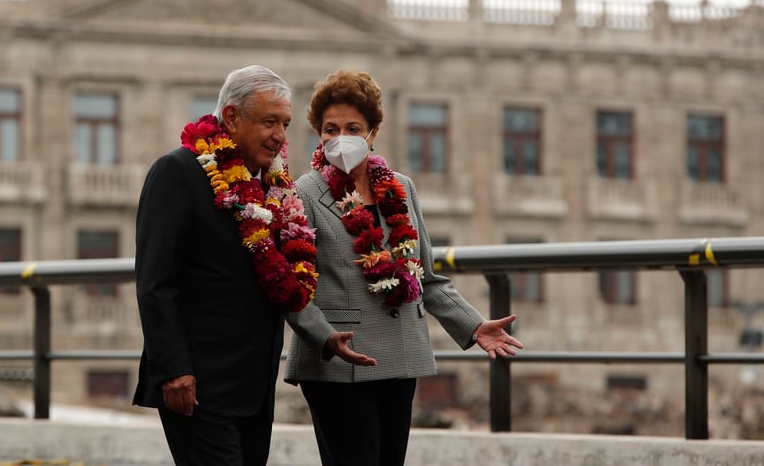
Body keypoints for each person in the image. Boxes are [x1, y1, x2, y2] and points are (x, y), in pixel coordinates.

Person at [285, 69, 524, 466]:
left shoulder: (400, 187)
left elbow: (426, 277)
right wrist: (323, 337)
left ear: (373, 132)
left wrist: (473, 325)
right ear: (318, 133)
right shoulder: (304, 193)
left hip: (400, 355)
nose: (339, 138)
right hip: (342, 359)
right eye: (330, 128)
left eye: (352, 127)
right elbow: (290, 289)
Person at [133, 65, 318, 466]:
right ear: (231, 117)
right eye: (269, 122)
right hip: (196, 385)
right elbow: (155, 282)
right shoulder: (177, 172)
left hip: (254, 387)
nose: (280, 137)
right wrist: (173, 370)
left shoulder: (274, 185)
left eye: (285, 124)